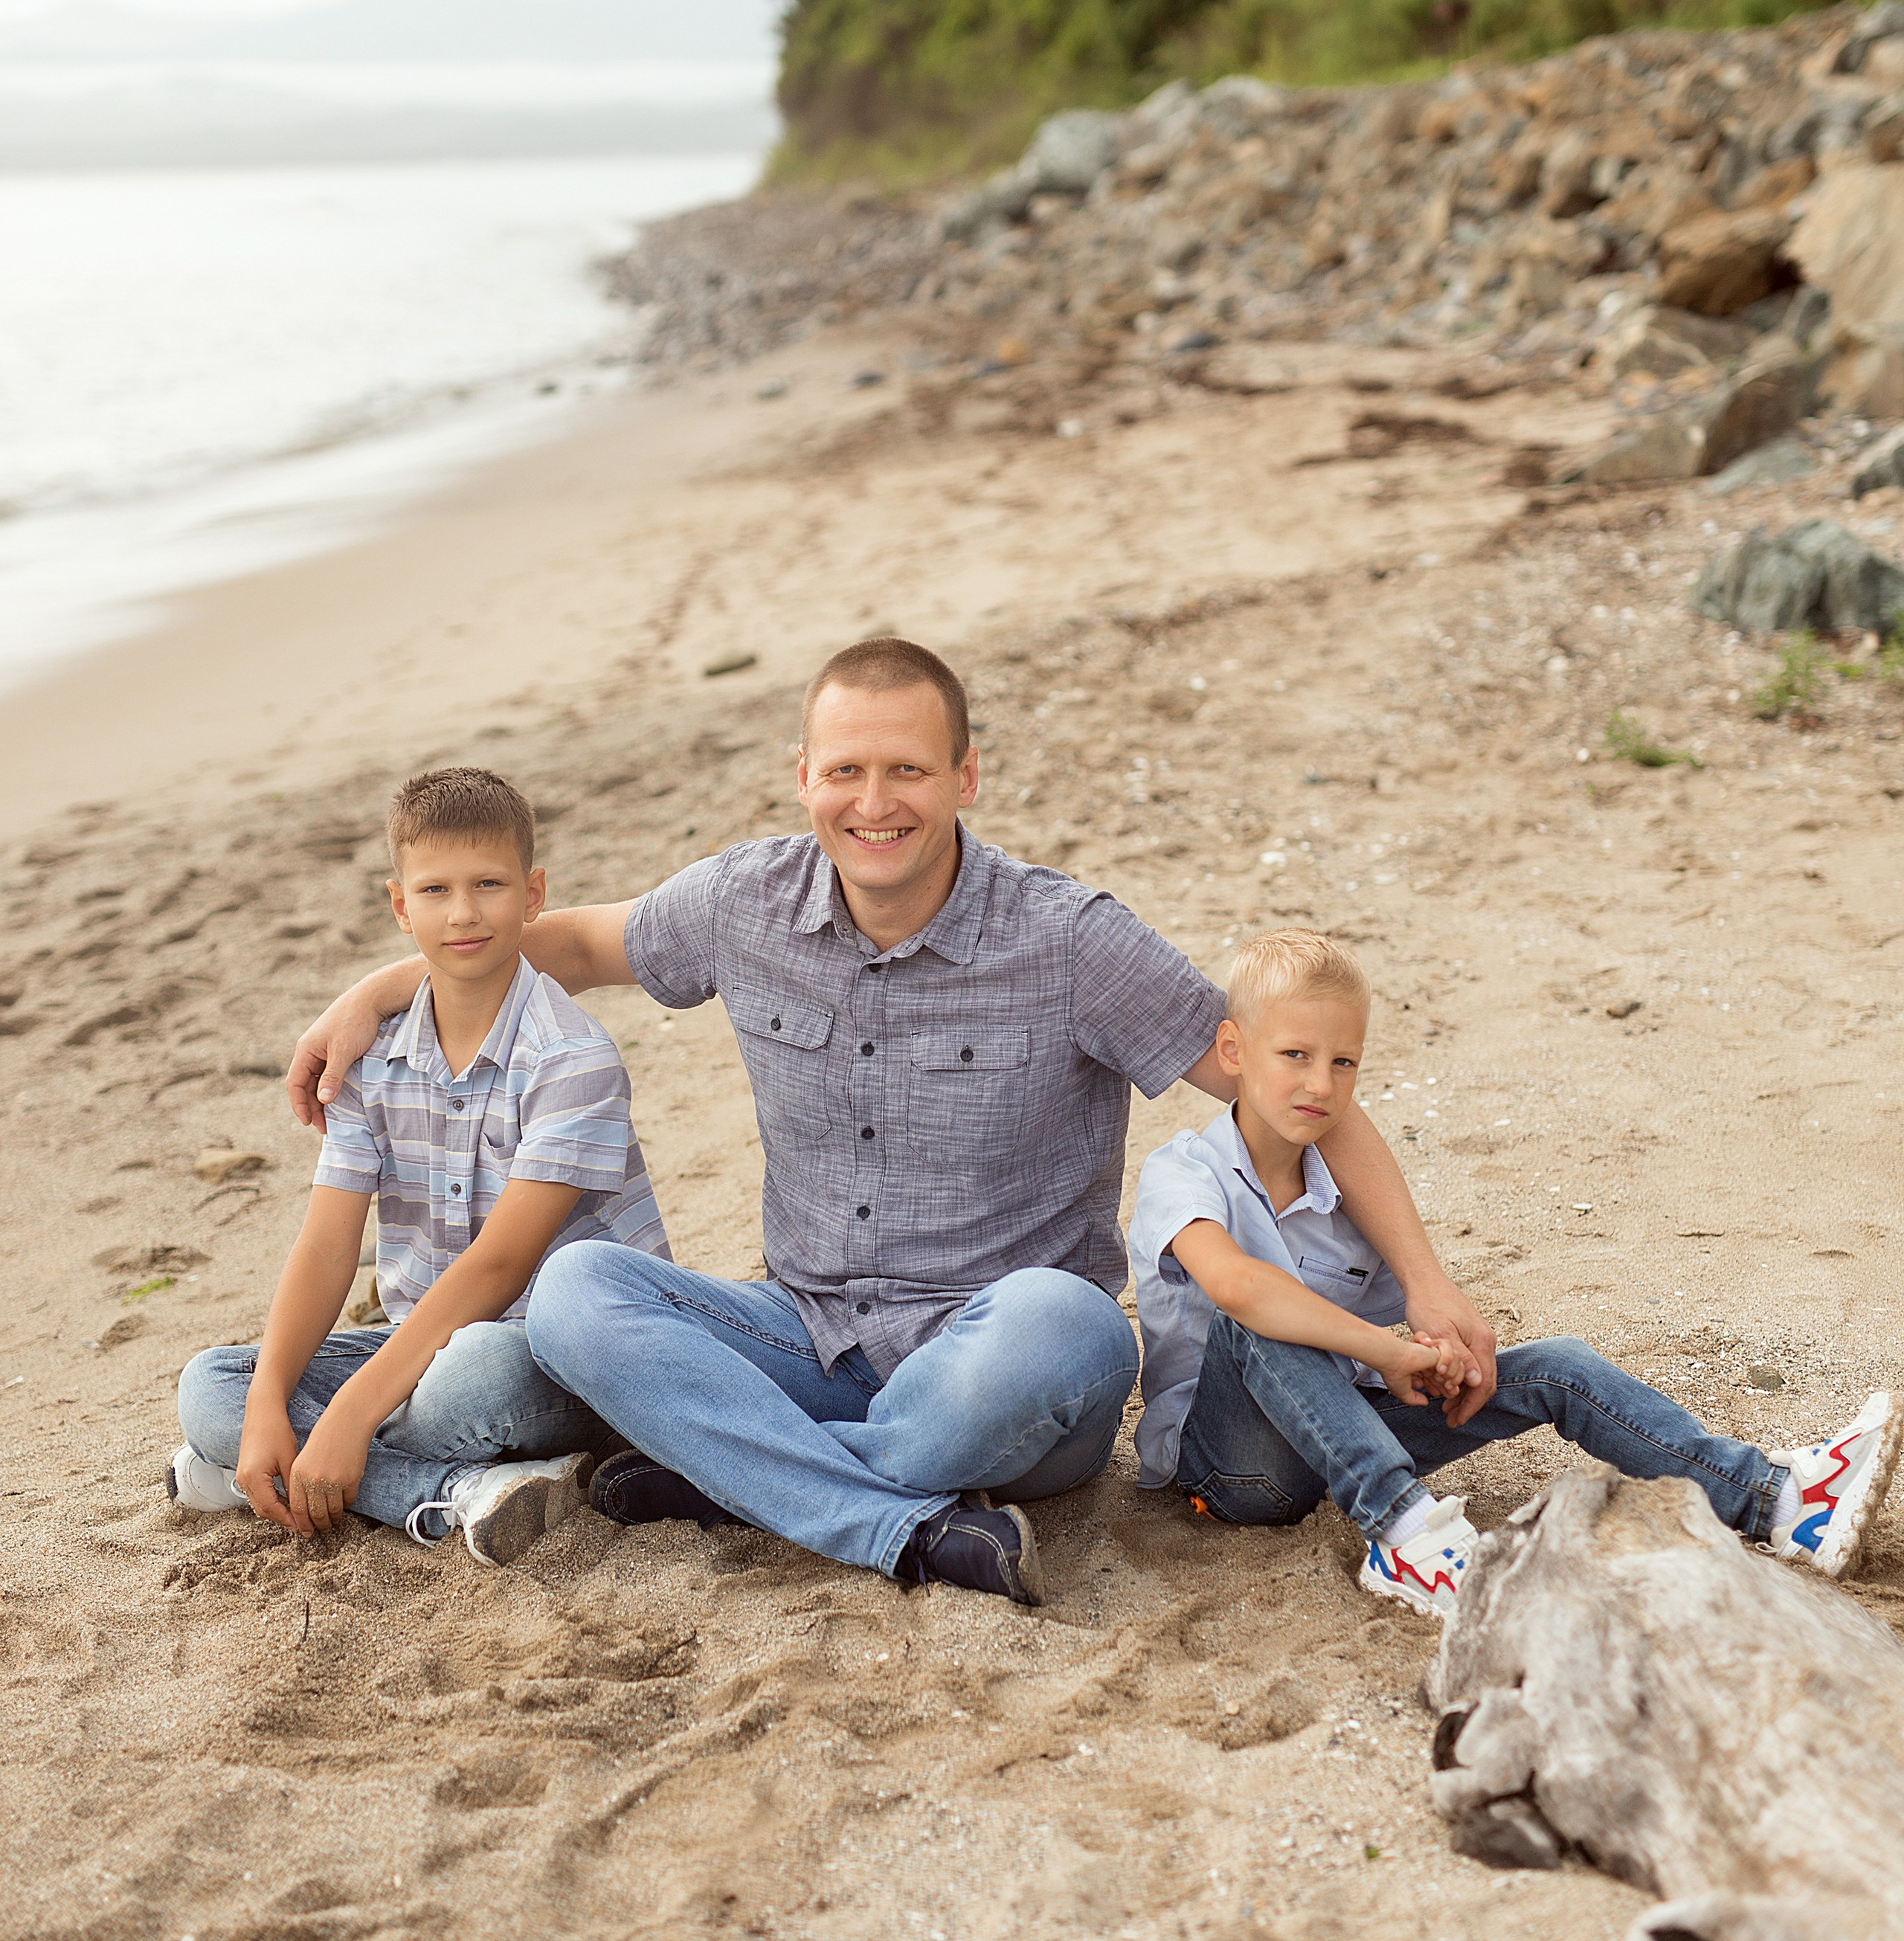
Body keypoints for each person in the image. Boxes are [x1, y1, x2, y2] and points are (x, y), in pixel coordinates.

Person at [283, 638, 1499, 1605]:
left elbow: (1292, 1094)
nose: (877, 802)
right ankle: (894, 1524)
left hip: (1001, 1383)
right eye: (847, 771)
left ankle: (733, 1474)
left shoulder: (1068, 938)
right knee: (577, 1294)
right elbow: (575, 943)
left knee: (1071, 1322)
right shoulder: (742, 901)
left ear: (965, 778)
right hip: (804, 1348)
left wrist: (1426, 1284)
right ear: (805, 777)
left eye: (909, 771)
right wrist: (373, 991)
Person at [1130, 926, 1900, 1615]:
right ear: (1232, 1052)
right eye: (1293, 1056)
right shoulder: (1185, 1172)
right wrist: (1389, 1351)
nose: (1321, 1085)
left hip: (1341, 1428)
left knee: (1557, 1368)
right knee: (1258, 1315)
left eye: (1343, 1062)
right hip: (1231, 1471)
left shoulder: (1345, 1186)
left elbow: (1410, 1315)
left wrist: (1432, 1355)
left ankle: (1777, 1504)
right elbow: (1238, 1288)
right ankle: (1404, 1533)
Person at [171, 767, 668, 1563]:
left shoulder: (572, 1057)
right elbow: (329, 1248)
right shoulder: (370, 1063)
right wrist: (268, 1400)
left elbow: (499, 1268)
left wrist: (350, 1414)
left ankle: (237, 1475)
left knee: (475, 1377)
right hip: (415, 1348)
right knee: (214, 1384)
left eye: (489, 885)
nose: (464, 912)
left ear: (533, 895)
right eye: (435, 890)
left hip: (554, 1358)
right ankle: (452, 1494)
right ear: (401, 907)